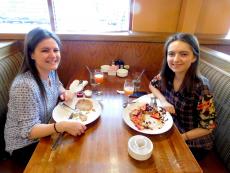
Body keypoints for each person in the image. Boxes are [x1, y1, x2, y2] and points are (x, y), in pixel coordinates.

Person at [4, 28, 86, 165]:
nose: (53, 55)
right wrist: (62, 126)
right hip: (23, 145)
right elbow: (29, 131)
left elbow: (57, 85)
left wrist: (63, 91)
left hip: (47, 129)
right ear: (32, 54)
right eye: (45, 50)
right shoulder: (24, 86)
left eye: (56, 50)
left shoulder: (50, 70)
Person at [149, 33, 216, 160]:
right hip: (172, 127)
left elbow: (207, 127)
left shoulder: (202, 86)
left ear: (194, 57)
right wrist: (164, 101)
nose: (175, 59)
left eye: (183, 54)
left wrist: (180, 138)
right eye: (171, 54)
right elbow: (152, 85)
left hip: (194, 142)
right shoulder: (167, 74)